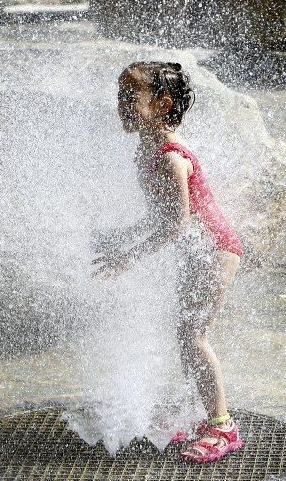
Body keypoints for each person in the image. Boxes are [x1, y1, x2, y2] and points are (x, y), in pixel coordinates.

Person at [92, 61, 244, 463]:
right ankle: (203, 415)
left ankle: (223, 427)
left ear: (162, 103)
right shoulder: (147, 150)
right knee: (185, 335)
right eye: (119, 96)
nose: (121, 105)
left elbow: (179, 222)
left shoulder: (172, 158)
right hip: (198, 250)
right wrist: (120, 237)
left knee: (194, 336)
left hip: (214, 250)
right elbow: (162, 214)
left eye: (130, 97)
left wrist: (128, 256)